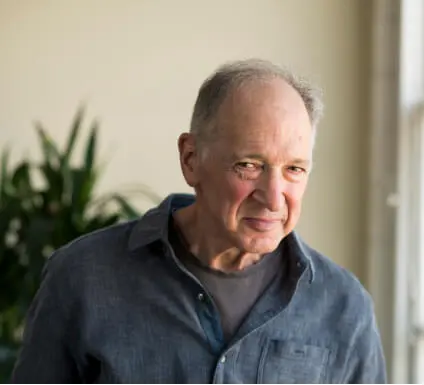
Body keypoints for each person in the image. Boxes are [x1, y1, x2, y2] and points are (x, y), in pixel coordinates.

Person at [11, 59, 386, 383]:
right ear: (191, 159)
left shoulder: (344, 307)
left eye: (294, 169)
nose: (274, 197)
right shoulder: (81, 277)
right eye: (249, 165)